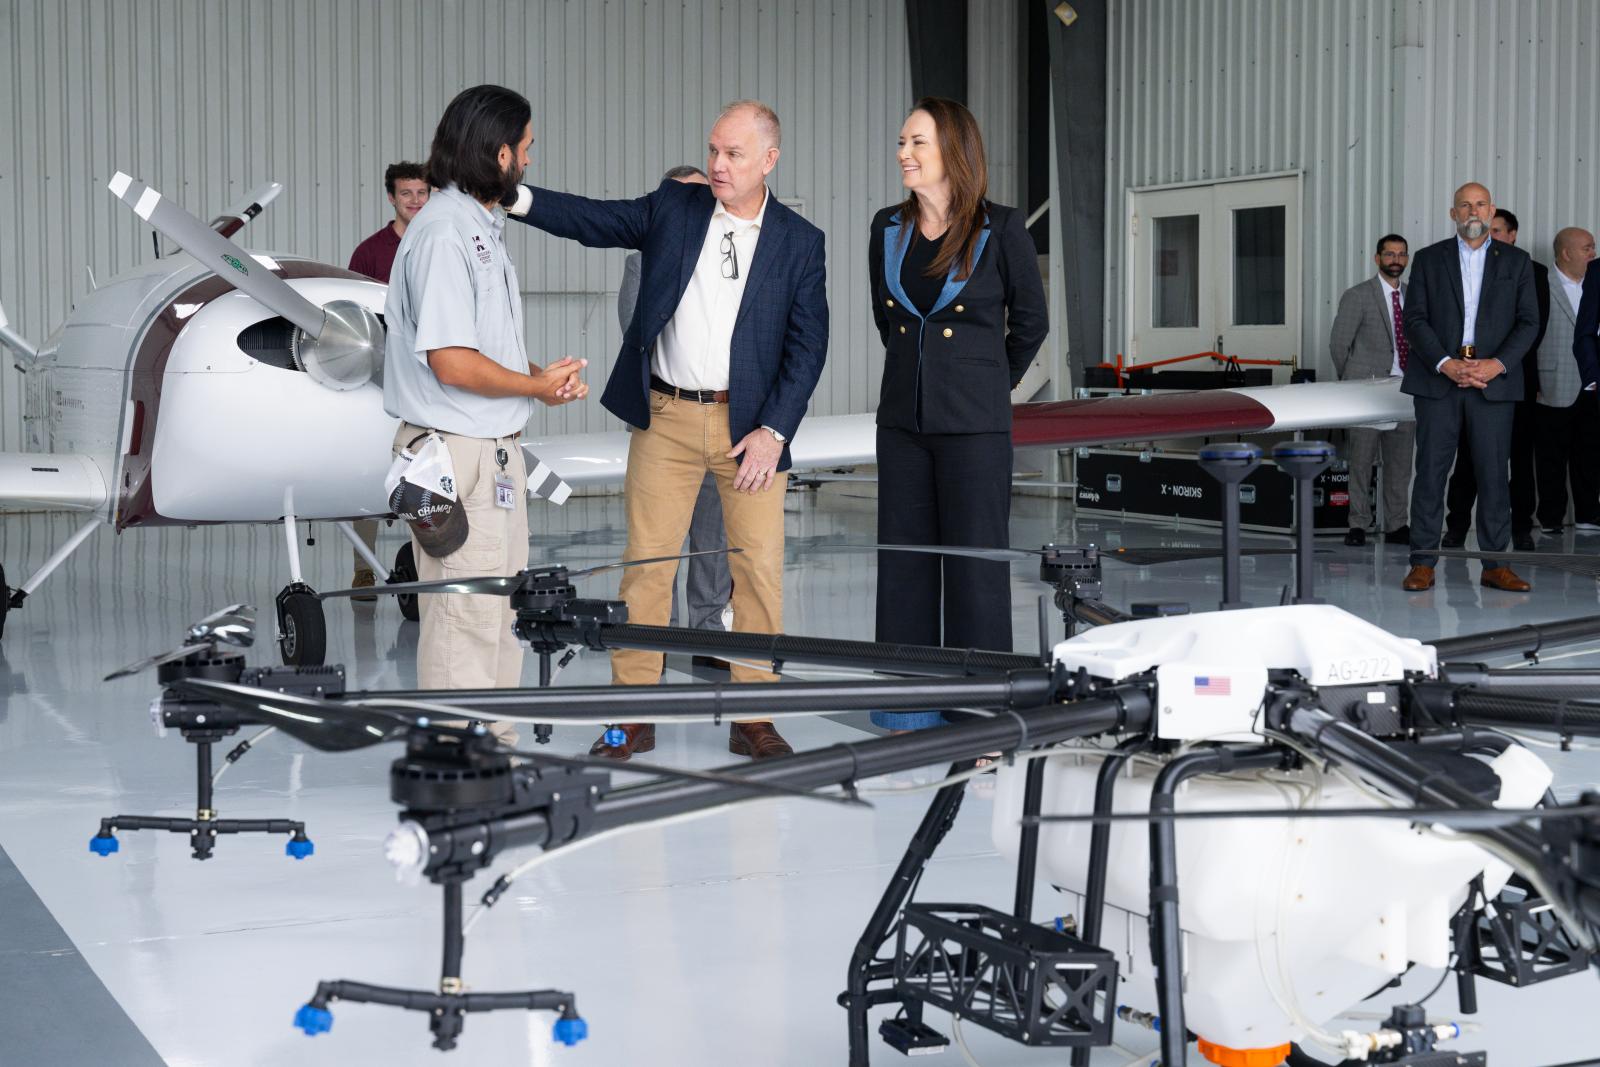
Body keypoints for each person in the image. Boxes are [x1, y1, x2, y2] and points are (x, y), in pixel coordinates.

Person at [507, 100, 828, 761]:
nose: (716, 164)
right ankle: (632, 716)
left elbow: (809, 344)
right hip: (668, 419)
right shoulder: (675, 208)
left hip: (751, 429)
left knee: (759, 574)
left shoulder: (800, 241)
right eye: (713, 149)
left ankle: (754, 717)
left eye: (733, 154)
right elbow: (593, 220)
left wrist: (774, 429)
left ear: (769, 160)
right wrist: (513, 196)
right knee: (646, 571)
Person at [383, 84, 588, 724]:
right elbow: (450, 362)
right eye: (525, 148)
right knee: (464, 619)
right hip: (458, 457)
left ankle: (490, 752)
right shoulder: (445, 233)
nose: (529, 160)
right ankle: (456, 761)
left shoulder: (479, 229)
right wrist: (529, 387)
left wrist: (537, 379)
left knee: (499, 614)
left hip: (493, 456)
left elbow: (478, 349)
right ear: (500, 154)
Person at [866, 97, 1047, 731]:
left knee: (975, 566)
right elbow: (889, 321)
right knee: (905, 562)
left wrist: (988, 381)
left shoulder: (1001, 228)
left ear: (954, 152)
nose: (903, 154)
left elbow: (1031, 324)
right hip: (904, 423)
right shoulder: (887, 227)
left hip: (974, 424)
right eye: (901, 141)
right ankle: (907, 702)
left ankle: (981, 706)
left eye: (917, 143)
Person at [617, 165, 732, 660]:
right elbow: (635, 329)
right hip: (665, 415)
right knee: (655, 543)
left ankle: (708, 631)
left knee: (714, 535)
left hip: (723, 416)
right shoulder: (642, 259)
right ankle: (655, 638)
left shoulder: (731, 255)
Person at [1400, 182, 1539, 593]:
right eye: (1465, 205)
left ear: (1491, 210)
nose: (1472, 211)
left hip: (1492, 382)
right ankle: (1422, 563)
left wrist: (1496, 364)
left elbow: (1529, 321)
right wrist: (1446, 364)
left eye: (1480, 204)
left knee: (1495, 475)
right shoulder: (1428, 259)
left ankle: (1496, 565)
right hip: (1439, 381)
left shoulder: (1517, 261)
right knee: (1430, 474)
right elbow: (1415, 320)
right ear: (1453, 213)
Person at [347, 162, 431, 599]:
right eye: (406, 194)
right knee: (371, 466)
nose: (415, 201)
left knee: (427, 471)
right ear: (391, 198)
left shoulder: (440, 244)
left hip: (430, 375)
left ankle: (424, 565)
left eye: (422, 192)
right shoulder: (369, 252)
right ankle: (364, 568)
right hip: (377, 377)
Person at [1440, 209, 1547, 551]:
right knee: (1469, 456)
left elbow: (1532, 325)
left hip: (1514, 378)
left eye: (1499, 230)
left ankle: (1520, 528)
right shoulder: (1466, 267)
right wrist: (1471, 367)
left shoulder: (1532, 270)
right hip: (1468, 375)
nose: (1493, 235)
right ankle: (1456, 526)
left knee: (1518, 455)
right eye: (1491, 229)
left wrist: (1497, 363)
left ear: (1513, 235)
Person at [1329, 234, 1415, 547]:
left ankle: (1396, 525)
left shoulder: (1413, 295)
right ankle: (1358, 525)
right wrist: (1353, 383)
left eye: (1401, 254)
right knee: (1361, 461)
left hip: (1404, 390)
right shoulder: (1358, 296)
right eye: (1390, 254)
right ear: (1377, 259)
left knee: (1400, 463)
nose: (1396, 259)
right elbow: (1339, 344)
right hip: (1365, 391)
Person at [1533, 228, 1600, 534]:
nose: (1593, 254)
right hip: (1553, 382)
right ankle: (1550, 518)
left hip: (1592, 383)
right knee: (1551, 456)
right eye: (1587, 248)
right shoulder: (1540, 286)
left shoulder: (1596, 284)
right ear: (1566, 253)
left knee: (1590, 453)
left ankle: (1588, 514)